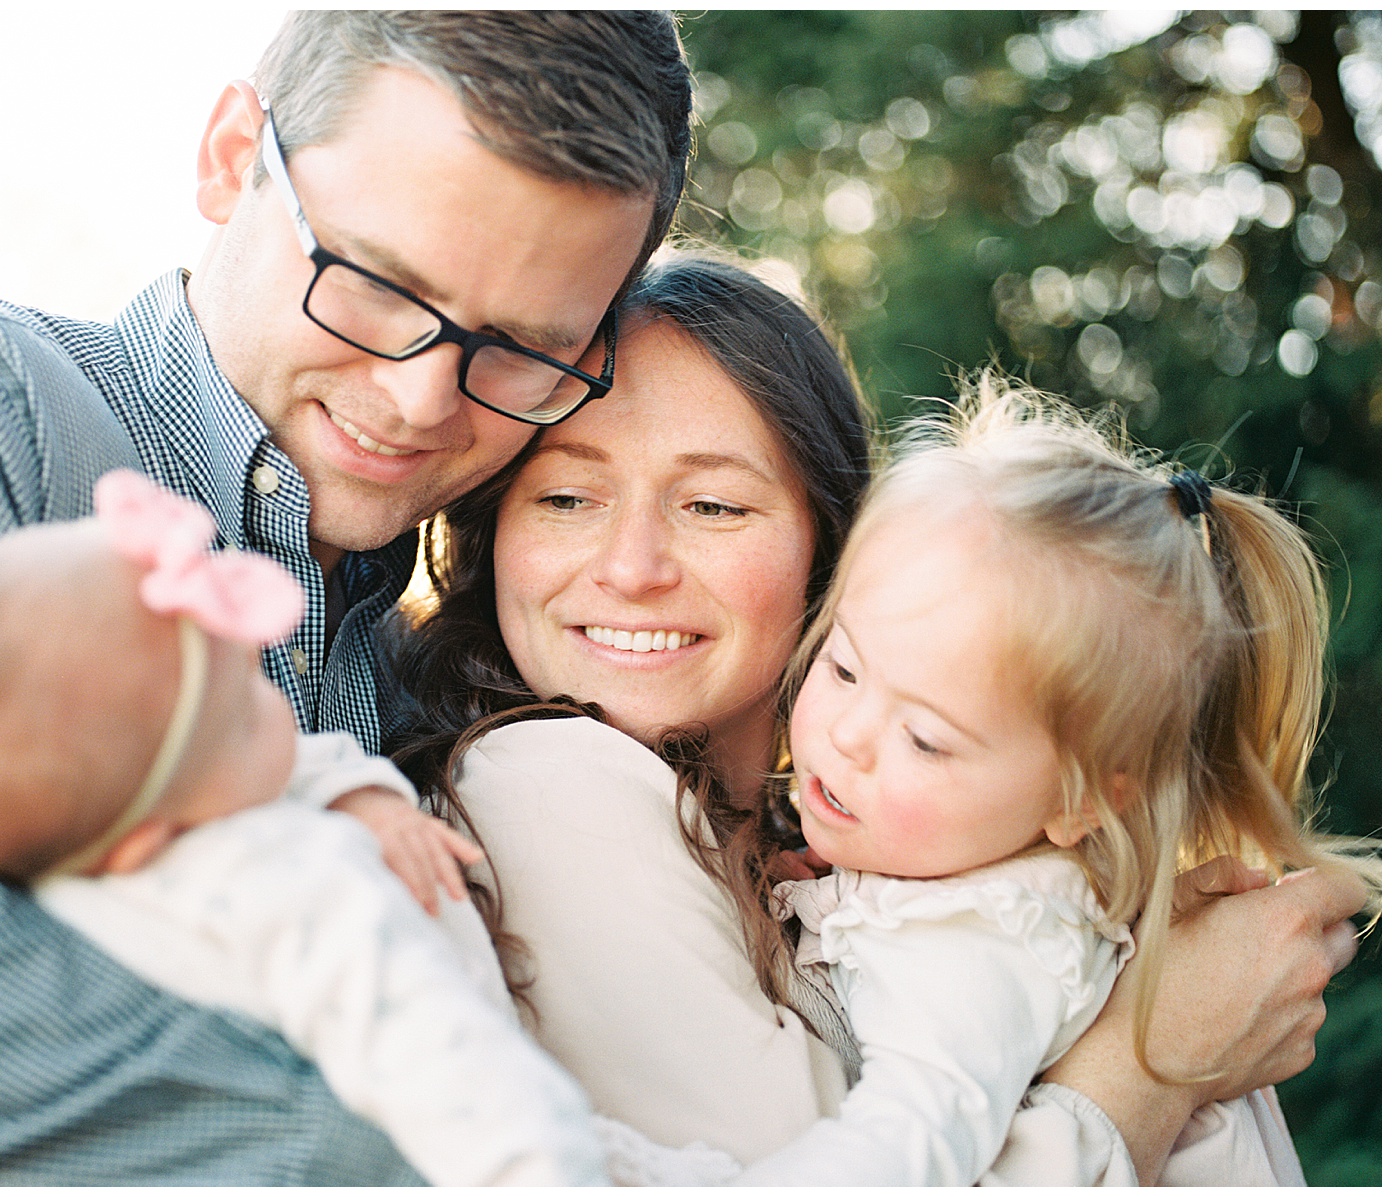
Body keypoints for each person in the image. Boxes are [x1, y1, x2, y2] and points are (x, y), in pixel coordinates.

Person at [0, 12, 691, 1185]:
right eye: (375, 281)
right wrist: (369, 1156)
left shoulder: (427, 670)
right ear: (232, 156)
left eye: (525, 348)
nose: (424, 399)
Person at [386, 252, 1369, 1184]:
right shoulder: (549, 782)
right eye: (563, 495)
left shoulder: (888, 843)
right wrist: (1158, 1065)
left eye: (714, 507)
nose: (630, 567)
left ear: (830, 547)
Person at [609, 374, 1381, 1184]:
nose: (848, 735)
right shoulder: (962, 879)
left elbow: (898, 1164)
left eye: (925, 740)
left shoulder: (984, 945)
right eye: (842, 665)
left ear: (1082, 800)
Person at [0, 468, 605, 1186]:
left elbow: (299, 766)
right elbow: (445, 1058)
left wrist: (358, 796)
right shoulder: (290, 887)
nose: (277, 699)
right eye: (245, 701)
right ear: (153, 836)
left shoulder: (89, 853)